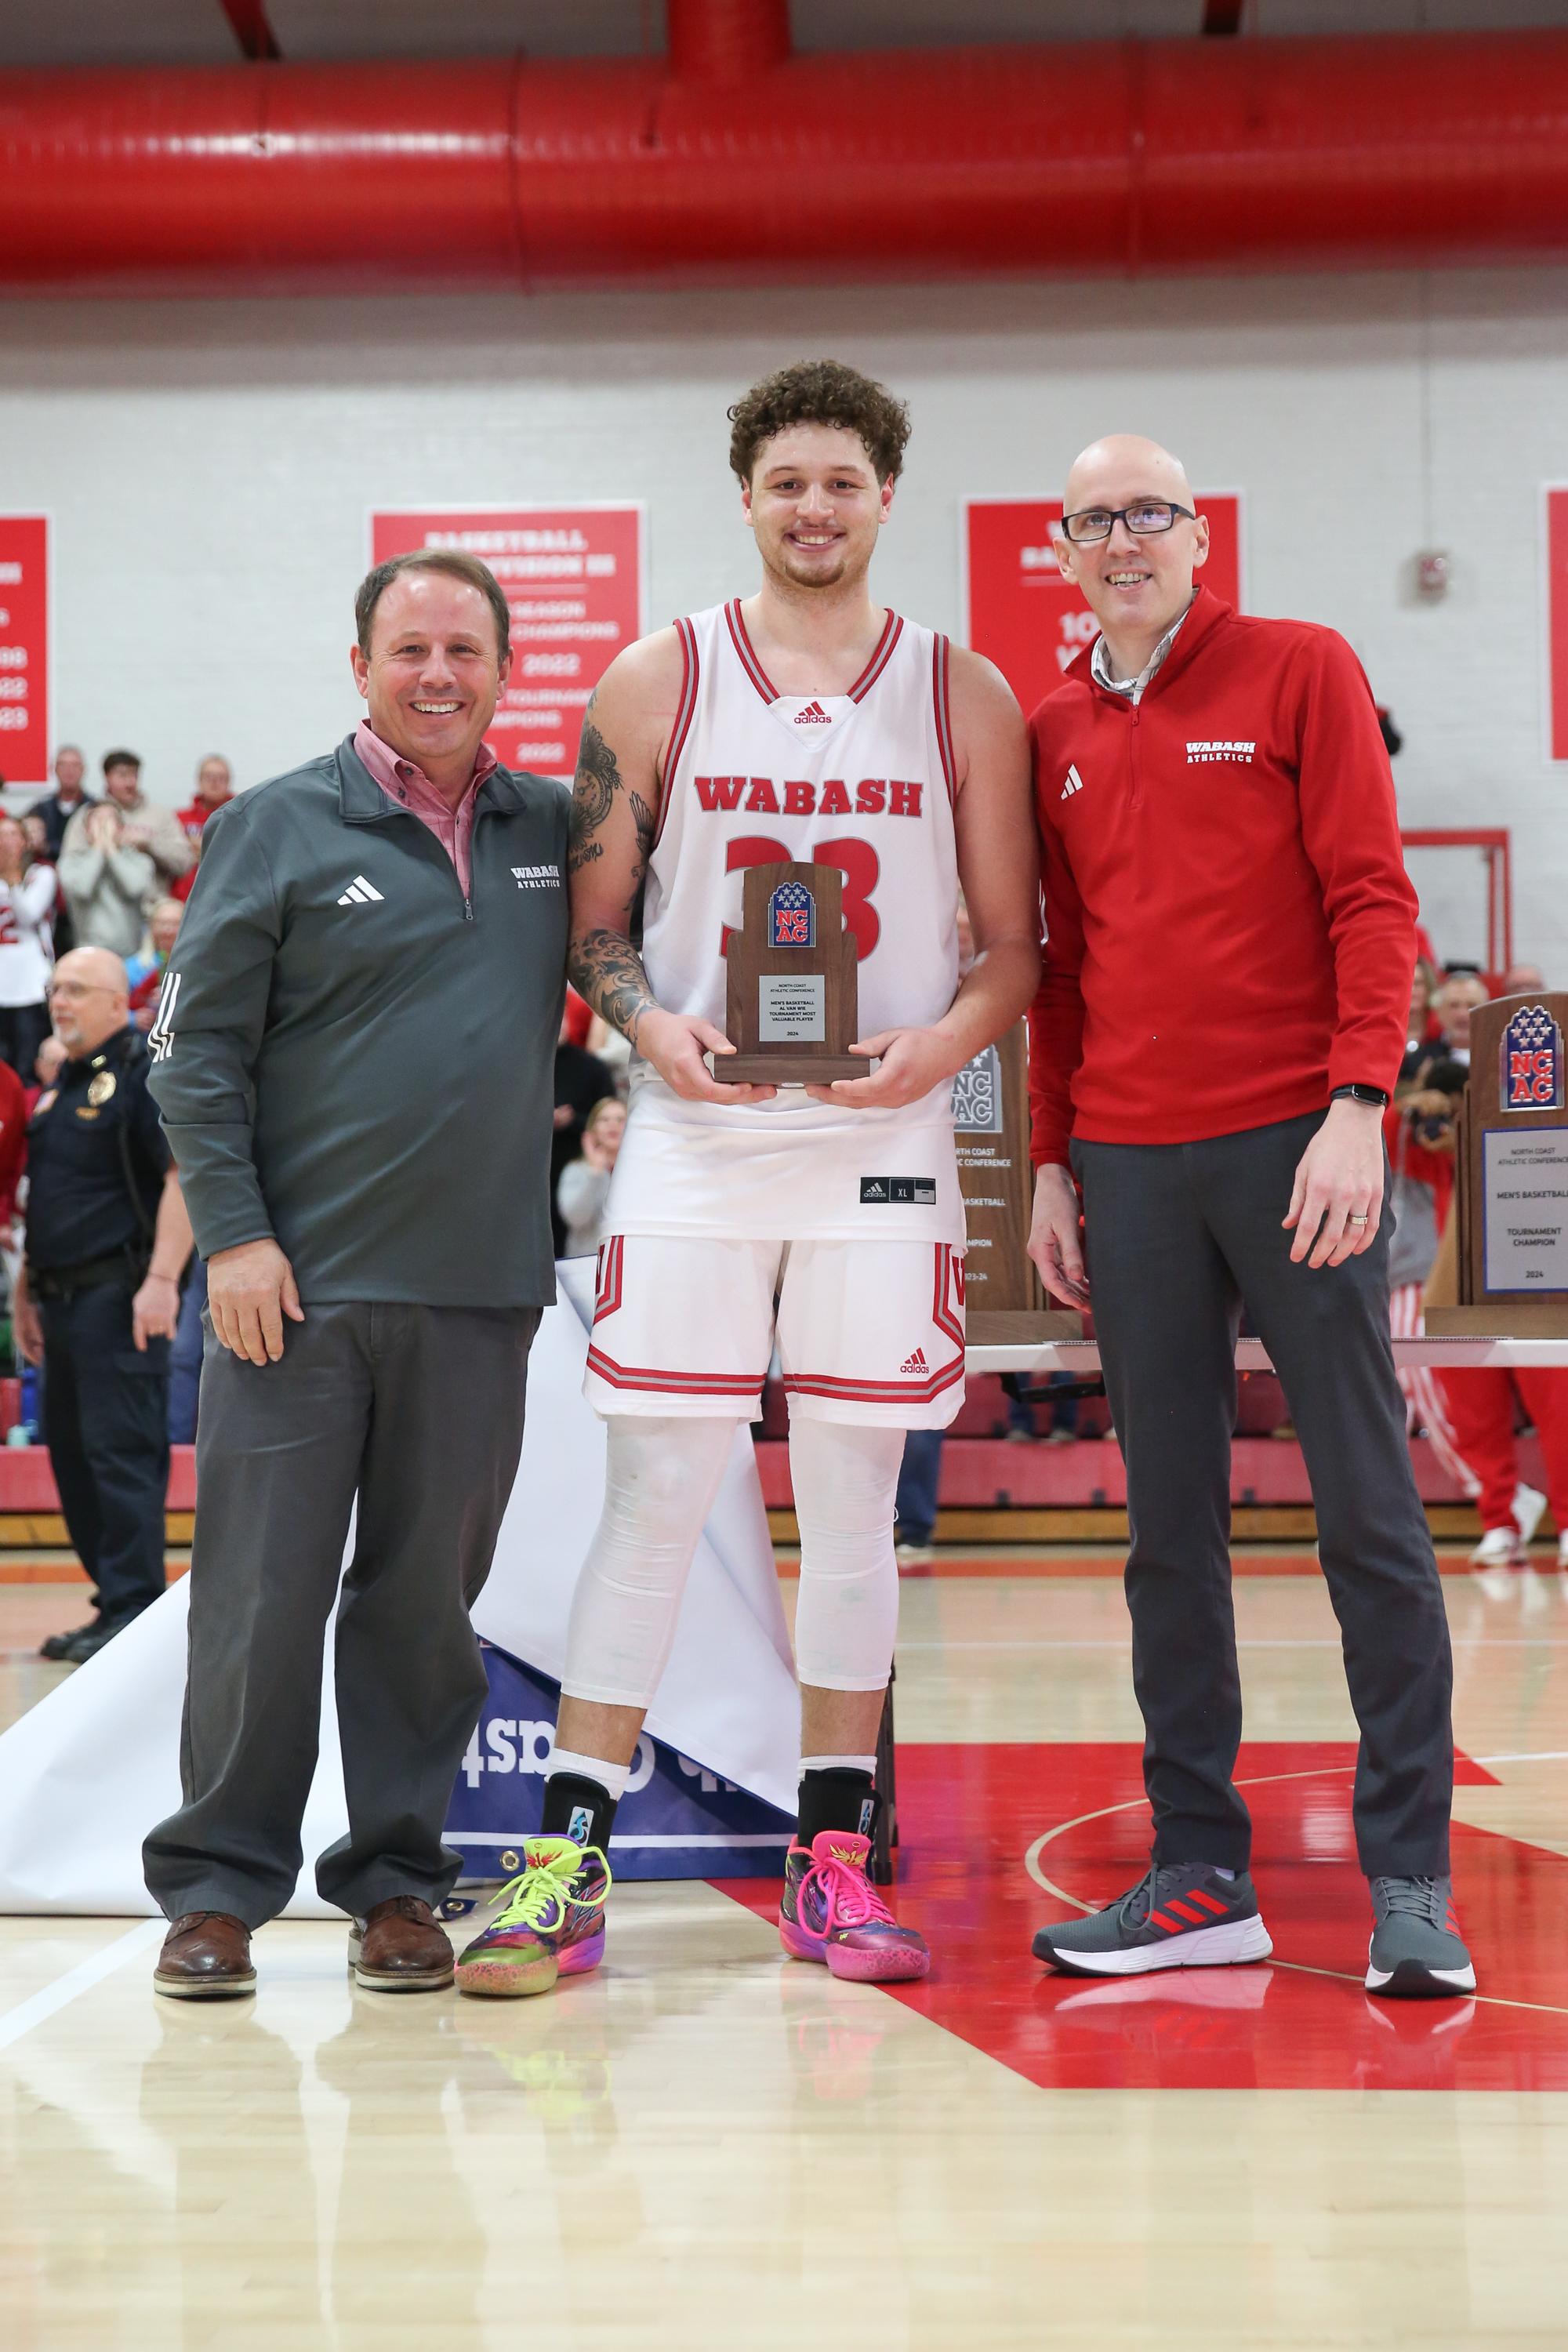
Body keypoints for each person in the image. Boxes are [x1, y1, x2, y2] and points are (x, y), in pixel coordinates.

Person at [452, 356, 1039, 2001]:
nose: (815, 509)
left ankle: (832, 1857)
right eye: (788, 482)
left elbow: (1013, 951)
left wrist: (939, 1051)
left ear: (884, 498)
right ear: (746, 497)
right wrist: (645, 1027)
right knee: (655, 1496)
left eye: (843, 482)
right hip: (701, 1137)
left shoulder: (958, 692)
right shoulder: (658, 677)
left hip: (879, 1139)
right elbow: (592, 922)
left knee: (854, 1511)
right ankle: (565, 1859)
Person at [1025, 434, 1472, 2001]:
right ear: (1064, 552)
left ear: (1198, 535)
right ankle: (1198, 1870)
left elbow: (1371, 895)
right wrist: (1051, 1161)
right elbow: (1061, 968)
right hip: (1131, 1161)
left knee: (1365, 1512)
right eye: (1095, 520)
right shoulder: (1052, 729)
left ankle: (1411, 1881)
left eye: (1151, 513)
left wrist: (1358, 1105)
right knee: (1169, 1533)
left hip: (1299, 1148)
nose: (1124, 539)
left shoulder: (1301, 669)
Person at [140, 548, 568, 2002]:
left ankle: (396, 1884)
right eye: (409, 650)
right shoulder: (273, 825)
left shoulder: (551, 833)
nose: (437, 674)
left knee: (423, 1614)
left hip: (477, 1294)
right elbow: (190, 1054)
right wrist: (238, 1234)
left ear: (506, 670)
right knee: (259, 1602)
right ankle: (215, 1890)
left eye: (465, 650)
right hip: (292, 1295)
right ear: (361, 665)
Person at [12, 949, 192, 1665]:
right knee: (73, 1457)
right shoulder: (61, 1085)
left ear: (120, 1002)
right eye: (56, 989)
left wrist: (162, 1280)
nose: (61, 1001)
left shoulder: (143, 1074)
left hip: (120, 1295)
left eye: (78, 990)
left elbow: (181, 1175)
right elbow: (50, 1196)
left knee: (121, 1456)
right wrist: (26, 1288)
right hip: (59, 1299)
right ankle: (112, 1602)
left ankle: (134, 1609)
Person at [60, 751, 194, 923]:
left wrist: (150, 844)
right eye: (122, 775)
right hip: (102, 920)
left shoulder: (160, 815)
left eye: (134, 775)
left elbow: (185, 863)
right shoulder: (87, 815)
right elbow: (70, 865)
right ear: (107, 777)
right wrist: (105, 842)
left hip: (151, 917)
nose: (130, 782)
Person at [550, 1007, 617, 1257]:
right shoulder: (524, 1064)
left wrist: (572, 1121)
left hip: (582, 1156)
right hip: (535, 1167)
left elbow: (605, 1111)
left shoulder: (591, 1067)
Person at [57, 796, 157, 957]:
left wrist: (110, 849)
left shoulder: (139, 860)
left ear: (121, 828)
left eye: (110, 821)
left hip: (132, 956)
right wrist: (98, 847)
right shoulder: (71, 862)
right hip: (88, 955)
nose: (104, 827)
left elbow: (134, 888)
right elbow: (82, 889)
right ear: (86, 830)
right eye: (97, 821)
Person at [0, 813, 57, 1075]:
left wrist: (12, 881)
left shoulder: (41, 875)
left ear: (25, 841)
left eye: (13, 834)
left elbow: (29, 915)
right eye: (1, 835)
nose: (6, 842)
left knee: (26, 1062)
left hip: (29, 982)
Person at [556, 1094, 625, 1258]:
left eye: (620, 1119)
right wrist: (595, 1173)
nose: (612, 1125)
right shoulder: (576, 1170)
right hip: (587, 1262)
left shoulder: (639, 1170)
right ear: (592, 1128)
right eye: (604, 1120)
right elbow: (575, 1219)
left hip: (630, 1261)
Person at [172, 755, 235, 901]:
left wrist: (200, 845)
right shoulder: (179, 818)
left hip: (224, 899)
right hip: (183, 900)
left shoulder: (240, 819)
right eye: (209, 776)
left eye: (221, 777)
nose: (214, 782)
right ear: (199, 780)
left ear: (228, 782)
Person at [127, 897, 184, 1029]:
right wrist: (133, 1019)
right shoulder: (134, 967)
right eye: (162, 923)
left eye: (176, 924)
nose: (168, 931)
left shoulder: (196, 966)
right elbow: (112, 1006)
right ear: (151, 926)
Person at [32, 744, 94, 862]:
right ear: (54, 769)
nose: (69, 771)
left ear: (83, 770)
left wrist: (49, 848)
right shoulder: (41, 809)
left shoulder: (94, 808)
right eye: (63, 765)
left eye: (75, 765)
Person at [1432, 969, 1488, 1064]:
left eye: (1471, 1005)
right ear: (1439, 1012)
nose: (1463, 1014)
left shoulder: (1501, 1059)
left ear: (1486, 1012)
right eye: (1454, 1005)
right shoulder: (1420, 1061)